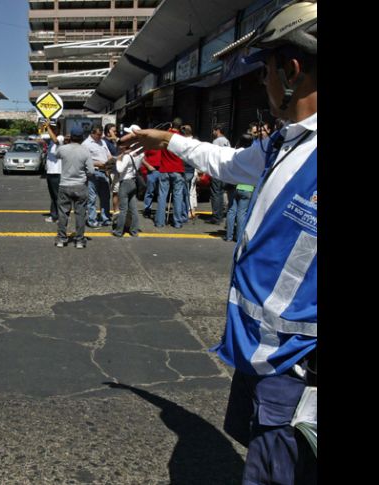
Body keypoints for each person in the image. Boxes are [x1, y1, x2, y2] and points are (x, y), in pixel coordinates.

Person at [119, 2, 317, 483]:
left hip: (299, 372)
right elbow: (225, 163)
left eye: (265, 71)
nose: (262, 84)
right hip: (263, 357)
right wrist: (165, 138)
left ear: (290, 72)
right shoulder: (282, 143)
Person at [55, 126, 95, 249]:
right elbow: (91, 171)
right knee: (80, 214)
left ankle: (62, 239)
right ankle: (79, 240)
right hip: (80, 185)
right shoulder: (85, 151)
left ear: (70, 137)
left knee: (63, 213)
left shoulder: (63, 149)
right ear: (82, 137)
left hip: (64, 184)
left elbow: (57, 155)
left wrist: (65, 141)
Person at [81, 127, 115, 227]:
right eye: (98, 135)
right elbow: (84, 160)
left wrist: (110, 163)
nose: (100, 137)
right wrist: (98, 164)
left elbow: (108, 155)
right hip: (93, 173)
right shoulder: (86, 144)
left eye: (101, 135)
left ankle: (105, 218)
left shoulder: (102, 142)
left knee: (105, 197)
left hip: (104, 173)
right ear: (92, 133)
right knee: (92, 198)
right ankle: (92, 220)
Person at [111, 139, 144, 237]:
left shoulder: (126, 156)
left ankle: (118, 231)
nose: (120, 147)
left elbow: (120, 169)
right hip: (133, 182)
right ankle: (134, 231)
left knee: (123, 209)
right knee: (133, 209)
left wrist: (118, 160)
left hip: (125, 182)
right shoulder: (139, 155)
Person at [208, 124, 231, 224]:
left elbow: (213, 156)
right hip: (225, 170)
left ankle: (216, 217)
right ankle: (220, 215)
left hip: (217, 170)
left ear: (217, 130)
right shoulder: (227, 141)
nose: (213, 133)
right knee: (221, 193)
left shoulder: (216, 141)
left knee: (216, 193)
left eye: (213, 131)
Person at [43, 122, 64, 223]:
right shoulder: (51, 142)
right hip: (50, 172)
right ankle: (54, 215)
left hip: (57, 172)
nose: (53, 130)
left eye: (54, 128)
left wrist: (47, 127)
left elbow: (55, 140)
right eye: (52, 128)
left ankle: (60, 216)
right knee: (53, 196)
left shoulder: (60, 138)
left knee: (57, 196)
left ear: (59, 129)